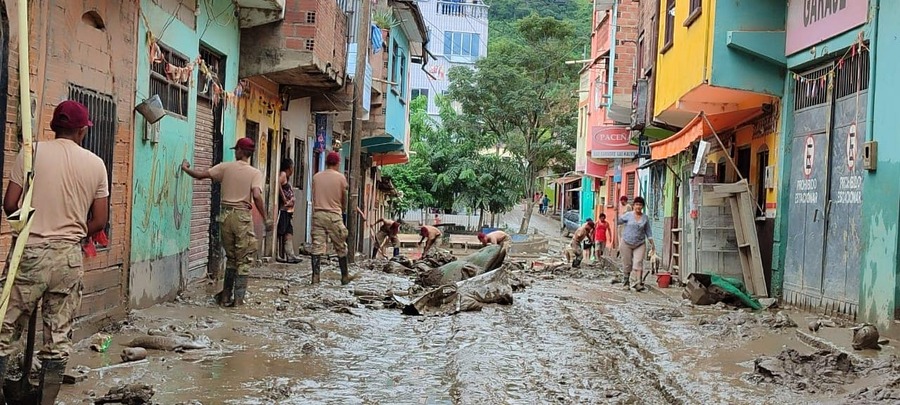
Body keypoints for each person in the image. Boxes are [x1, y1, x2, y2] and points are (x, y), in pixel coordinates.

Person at [0, 100, 109, 403]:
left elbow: (10, 205)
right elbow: (100, 220)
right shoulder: (96, 164)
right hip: (68, 259)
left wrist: (34, 219)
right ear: (82, 130)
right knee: (58, 337)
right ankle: (45, 401)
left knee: (4, 330)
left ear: (54, 126)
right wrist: (71, 231)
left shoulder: (31, 152)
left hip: (29, 253)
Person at [183, 137, 271, 306]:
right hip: (242, 217)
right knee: (243, 260)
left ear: (239, 151)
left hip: (224, 217)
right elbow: (257, 195)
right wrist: (265, 218)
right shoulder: (255, 173)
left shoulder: (225, 167)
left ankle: (224, 298)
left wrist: (185, 168)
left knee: (231, 259)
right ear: (250, 154)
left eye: (235, 149)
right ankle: (238, 302)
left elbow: (201, 175)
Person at [311, 151, 354, 285]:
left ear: (326, 162)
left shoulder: (316, 177)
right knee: (341, 246)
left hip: (318, 214)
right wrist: (343, 210)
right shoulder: (341, 178)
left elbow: (313, 195)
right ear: (338, 163)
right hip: (334, 215)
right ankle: (344, 276)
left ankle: (315, 277)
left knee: (317, 246)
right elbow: (344, 198)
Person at [618, 196, 655, 291]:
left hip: (640, 243)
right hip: (626, 242)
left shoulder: (645, 218)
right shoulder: (628, 215)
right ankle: (626, 282)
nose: (638, 206)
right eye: (636, 204)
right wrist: (616, 214)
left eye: (640, 205)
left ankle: (638, 283)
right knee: (627, 263)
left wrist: (652, 244)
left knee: (638, 262)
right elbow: (618, 221)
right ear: (633, 206)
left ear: (642, 206)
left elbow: (648, 232)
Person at [277, 158, 300, 264]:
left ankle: (290, 255)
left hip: (288, 210)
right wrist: (284, 199)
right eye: (292, 167)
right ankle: (278, 254)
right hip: (283, 210)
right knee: (281, 231)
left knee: (289, 231)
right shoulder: (283, 175)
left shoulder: (286, 177)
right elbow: (277, 184)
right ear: (289, 168)